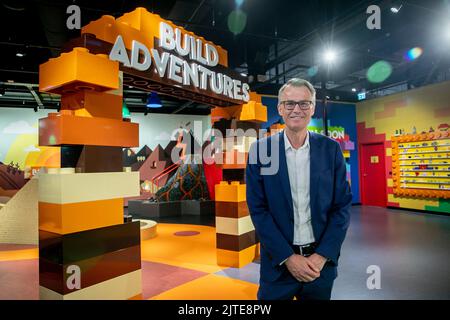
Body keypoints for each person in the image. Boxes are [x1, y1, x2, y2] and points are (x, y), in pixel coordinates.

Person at [246, 78, 352, 300]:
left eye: (304, 103)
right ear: (280, 108)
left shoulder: (331, 150)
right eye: (289, 103)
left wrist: (322, 255)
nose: (297, 109)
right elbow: (258, 210)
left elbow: (341, 207)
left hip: (319, 267)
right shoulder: (261, 151)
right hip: (278, 266)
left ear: (313, 107)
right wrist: (288, 258)